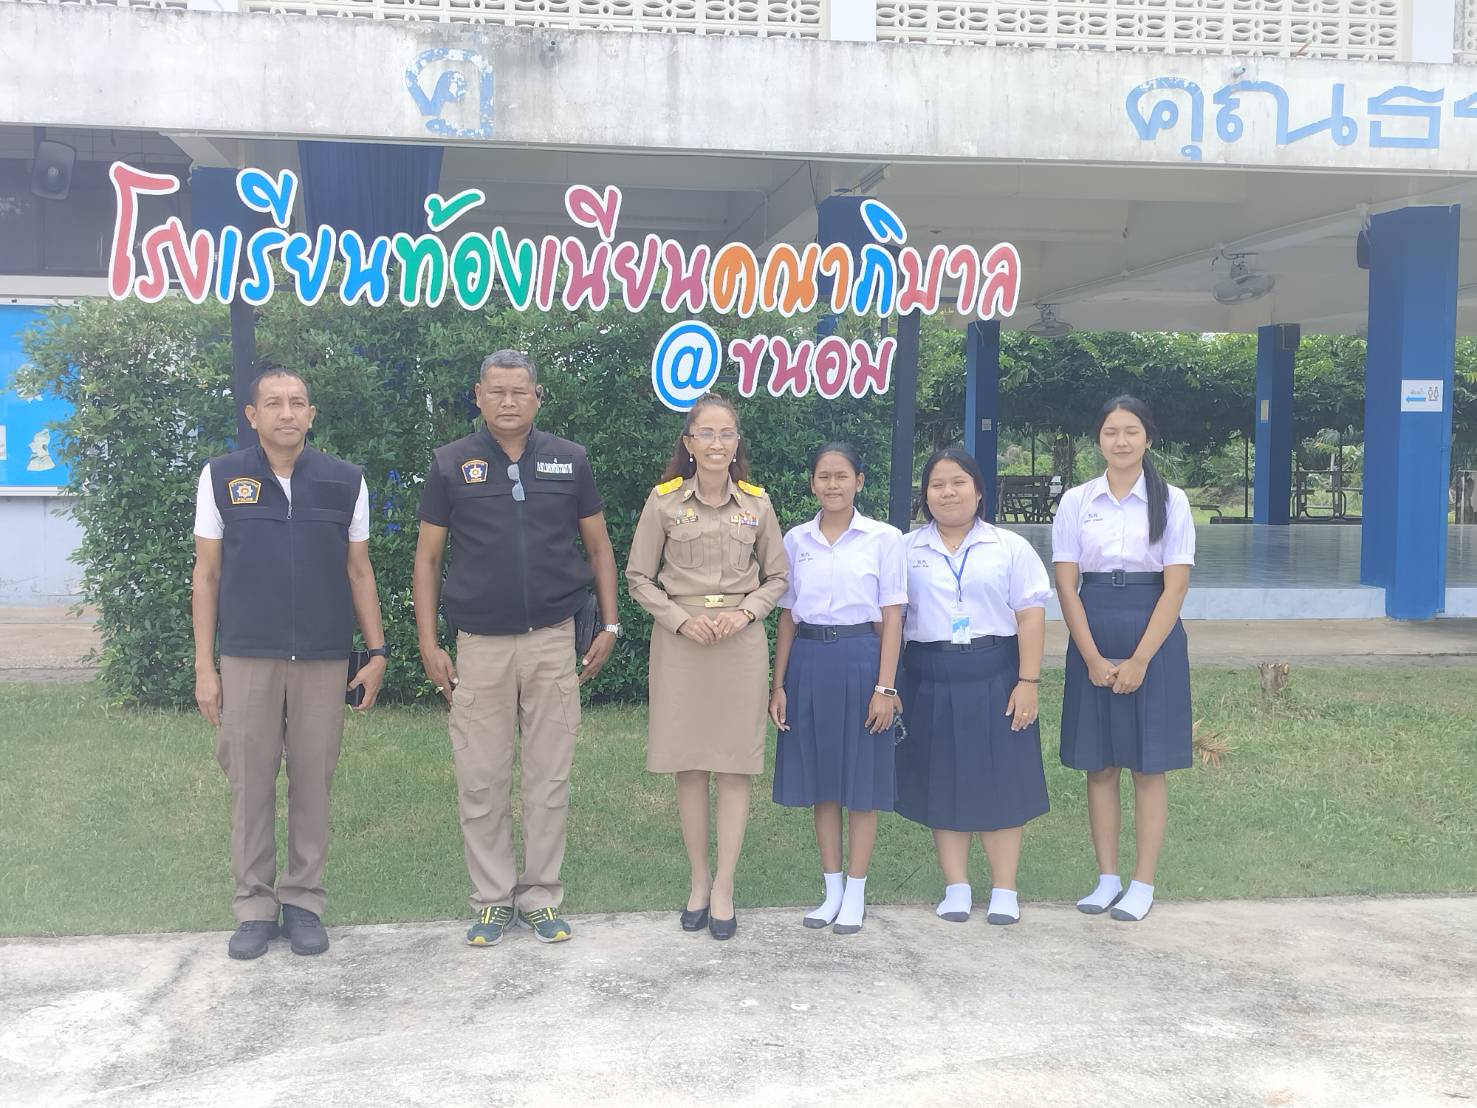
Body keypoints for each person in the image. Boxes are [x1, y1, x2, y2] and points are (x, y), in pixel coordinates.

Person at [413, 349, 620, 948]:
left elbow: (600, 548)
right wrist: (428, 642)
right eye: (496, 391)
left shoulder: (569, 460)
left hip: (553, 640)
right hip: (480, 645)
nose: (508, 401)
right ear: (478, 396)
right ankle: (492, 900)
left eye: (519, 391)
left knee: (548, 778)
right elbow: (427, 559)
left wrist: (610, 626)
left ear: (537, 397)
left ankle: (541, 897)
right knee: (481, 777)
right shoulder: (450, 464)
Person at [192, 367, 387, 961]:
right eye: (273, 403)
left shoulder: (345, 480)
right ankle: (254, 907)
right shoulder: (221, 477)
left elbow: (359, 571)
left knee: (312, 781)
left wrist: (376, 652)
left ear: (311, 414)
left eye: (297, 402)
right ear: (252, 416)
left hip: (323, 658)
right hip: (247, 655)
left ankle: (303, 902)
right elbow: (207, 575)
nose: (286, 413)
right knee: (250, 782)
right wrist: (205, 668)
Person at [625, 394, 788, 940]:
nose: (717, 443)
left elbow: (777, 577)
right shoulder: (664, 502)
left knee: (735, 767)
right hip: (683, 644)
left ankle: (724, 887)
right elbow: (639, 577)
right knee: (691, 766)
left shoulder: (758, 505)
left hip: (739, 644)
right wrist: (679, 620)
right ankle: (698, 881)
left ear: (737, 443)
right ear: (689, 443)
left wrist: (746, 614)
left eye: (727, 433)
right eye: (706, 433)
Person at [1053, 395, 1195, 923]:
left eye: (1131, 431)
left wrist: (1140, 660)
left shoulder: (1172, 501)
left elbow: (1175, 587)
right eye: (1111, 431)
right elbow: (1066, 585)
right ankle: (1106, 878)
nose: (1121, 441)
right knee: (1100, 763)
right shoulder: (1076, 502)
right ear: (1099, 440)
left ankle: (1143, 883)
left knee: (1148, 765)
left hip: (1151, 627)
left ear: (1148, 438)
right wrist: (1091, 656)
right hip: (1093, 621)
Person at [897, 448, 1052, 927]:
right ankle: (957, 886)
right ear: (925, 495)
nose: (948, 492)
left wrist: (1028, 681)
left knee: (1002, 777)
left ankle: (1005, 888)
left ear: (979, 491)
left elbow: (1030, 616)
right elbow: (892, 618)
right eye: (937, 484)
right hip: (929, 673)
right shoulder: (905, 550)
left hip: (996, 671)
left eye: (958, 482)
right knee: (941, 776)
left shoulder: (1009, 547)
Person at [768, 443, 905, 935]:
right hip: (809, 661)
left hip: (861, 660)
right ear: (812, 484)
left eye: (842, 475)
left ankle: (857, 892)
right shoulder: (795, 540)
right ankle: (831, 891)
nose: (832, 484)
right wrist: (778, 684)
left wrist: (885, 686)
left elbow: (893, 617)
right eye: (823, 476)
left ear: (859, 482)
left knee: (861, 783)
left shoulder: (884, 539)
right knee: (822, 781)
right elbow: (787, 616)